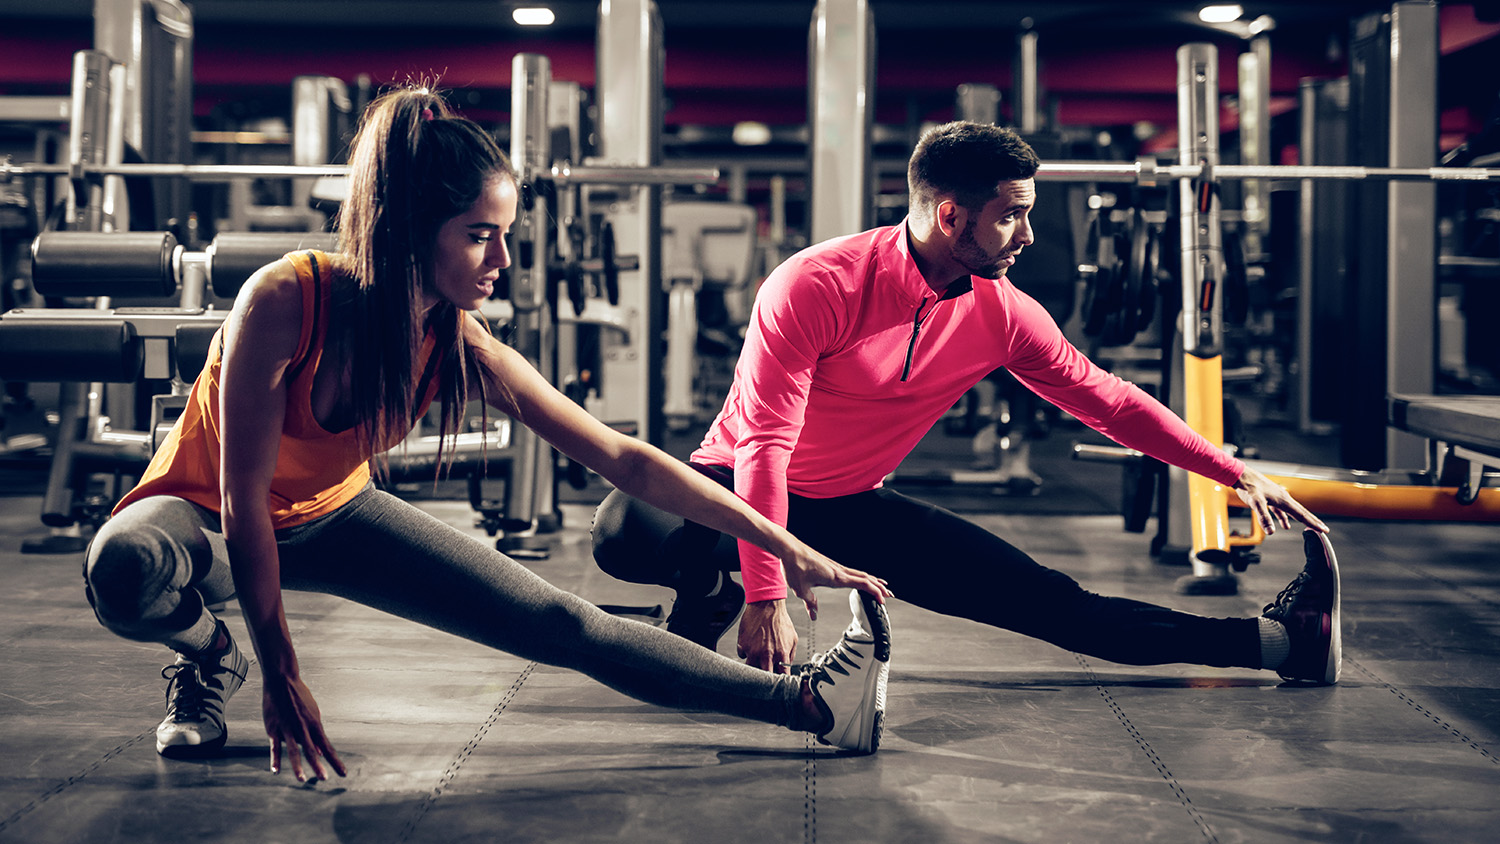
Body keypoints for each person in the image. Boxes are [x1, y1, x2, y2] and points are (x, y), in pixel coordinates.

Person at [82, 86, 896, 781]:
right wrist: (279, 672)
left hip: (334, 514)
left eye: (505, 232)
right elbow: (242, 497)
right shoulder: (287, 298)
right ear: (408, 228)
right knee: (125, 564)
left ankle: (813, 704)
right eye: (479, 234)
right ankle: (210, 652)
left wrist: (782, 546)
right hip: (211, 520)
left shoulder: (458, 342)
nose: (502, 256)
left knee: (563, 624)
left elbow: (624, 459)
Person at [592, 120, 1341, 689]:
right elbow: (764, 450)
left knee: (1056, 604)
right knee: (625, 525)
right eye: (1012, 214)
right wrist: (765, 593)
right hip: (736, 487)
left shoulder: (1001, 311)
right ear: (951, 216)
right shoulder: (816, 285)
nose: (1029, 233)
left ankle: (1279, 642)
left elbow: (1107, 401)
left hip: (852, 503)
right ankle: (709, 584)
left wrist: (1229, 470)